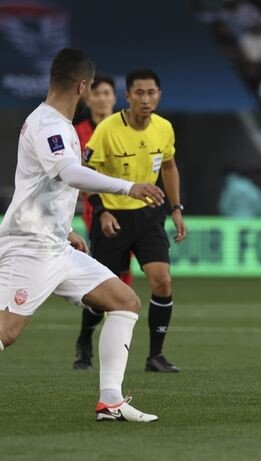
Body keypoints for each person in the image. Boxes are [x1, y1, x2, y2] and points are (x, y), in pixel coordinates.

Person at [0, 48, 165, 421]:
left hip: (55, 244)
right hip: (30, 247)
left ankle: (111, 401)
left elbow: (44, 185)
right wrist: (128, 187)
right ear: (83, 86)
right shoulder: (51, 127)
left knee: (124, 301)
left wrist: (68, 228)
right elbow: (70, 174)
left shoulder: (53, 123)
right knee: (6, 332)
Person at [83, 69, 187, 373]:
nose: (145, 98)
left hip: (148, 215)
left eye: (151, 92)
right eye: (139, 93)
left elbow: (169, 166)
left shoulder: (164, 128)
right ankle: (84, 342)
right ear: (126, 96)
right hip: (112, 216)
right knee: (101, 293)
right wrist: (101, 211)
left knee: (162, 280)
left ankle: (155, 356)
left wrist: (176, 207)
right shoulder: (107, 130)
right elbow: (84, 174)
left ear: (159, 95)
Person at [73, 75, 136, 370]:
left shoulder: (125, 129)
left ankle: (113, 343)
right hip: (98, 211)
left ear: (115, 98)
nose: (101, 98)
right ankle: (86, 339)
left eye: (107, 93)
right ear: (88, 98)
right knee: (105, 279)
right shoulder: (78, 132)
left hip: (132, 210)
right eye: (96, 93)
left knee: (123, 278)